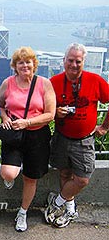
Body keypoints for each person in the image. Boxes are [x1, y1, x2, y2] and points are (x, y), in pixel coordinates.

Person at [45, 43, 109, 228]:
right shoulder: (54, 82)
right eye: (70, 60)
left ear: (84, 62)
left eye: (78, 61)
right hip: (62, 137)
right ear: (64, 61)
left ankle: (57, 202)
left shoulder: (95, 80)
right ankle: (70, 209)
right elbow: (45, 109)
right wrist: (56, 112)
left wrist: (104, 127)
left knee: (82, 179)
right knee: (64, 172)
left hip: (85, 140)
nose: (74, 64)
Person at [0, 47, 56, 232]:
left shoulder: (44, 84)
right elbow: (0, 105)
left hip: (37, 135)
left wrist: (28, 122)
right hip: (14, 134)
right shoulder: (8, 83)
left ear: (34, 64)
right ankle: (12, 175)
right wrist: (5, 118)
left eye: (28, 61)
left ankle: (23, 212)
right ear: (15, 66)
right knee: (8, 173)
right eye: (20, 62)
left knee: (31, 178)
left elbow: (50, 114)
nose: (24, 65)